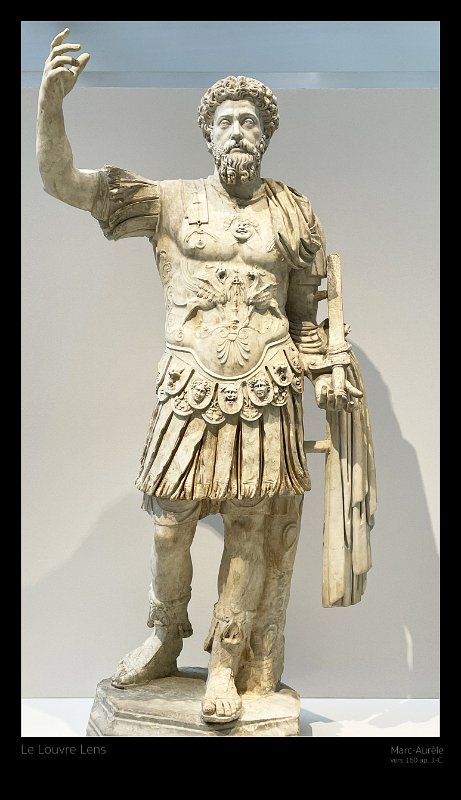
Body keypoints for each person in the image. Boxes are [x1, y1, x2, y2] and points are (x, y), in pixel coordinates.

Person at [36, 28, 376, 725]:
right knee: (169, 524)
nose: (238, 130)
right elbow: (63, 183)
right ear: (208, 134)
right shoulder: (168, 200)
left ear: (266, 135)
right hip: (189, 384)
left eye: (250, 120)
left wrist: (327, 370)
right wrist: (50, 108)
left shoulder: (293, 212)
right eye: (225, 121)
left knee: (250, 528)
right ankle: (165, 635)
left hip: (265, 387)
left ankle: (225, 661)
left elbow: (306, 317)